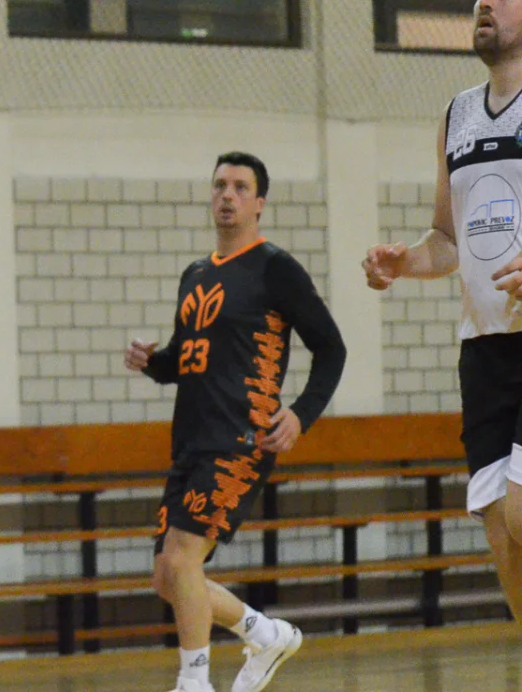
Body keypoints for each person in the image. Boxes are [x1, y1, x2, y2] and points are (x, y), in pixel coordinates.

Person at [125, 153, 346, 692]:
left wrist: (302, 413)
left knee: (183, 557)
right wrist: (151, 361)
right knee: (168, 577)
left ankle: (194, 682)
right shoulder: (196, 274)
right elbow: (183, 360)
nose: (227, 195)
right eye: (220, 185)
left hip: (242, 438)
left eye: (241, 187)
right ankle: (266, 634)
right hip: (191, 440)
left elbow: (331, 348)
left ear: (259, 203)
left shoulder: (275, 268)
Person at [365, 0, 522, 620]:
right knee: (501, 533)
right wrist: (404, 261)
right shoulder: (457, 116)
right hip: (483, 350)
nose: (485, 0)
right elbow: (448, 241)